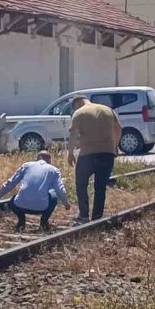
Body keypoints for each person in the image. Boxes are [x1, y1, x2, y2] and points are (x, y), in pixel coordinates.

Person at [67, 96, 121, 224]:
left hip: (88, 154)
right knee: (100, 187)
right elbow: (118, 128)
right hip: (107, 154)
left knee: (81, 184)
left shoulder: (79, 113)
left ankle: (84, 215)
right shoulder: (107, 110)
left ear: (76, 104)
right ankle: (97, 217)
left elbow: (73, 134)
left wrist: (70, 153)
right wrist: (115, 146)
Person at [0, 150, 71, 231]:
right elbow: (60, 189)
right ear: (49, 160)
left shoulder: (26, 166)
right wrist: (66, 204)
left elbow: (11, 182)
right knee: (53, 194)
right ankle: (44, 222)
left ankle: (21, 220)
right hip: (42, 208)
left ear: (38, 157)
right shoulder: (54, 170)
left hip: (20, 206)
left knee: (12, 200)